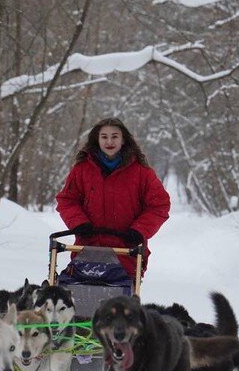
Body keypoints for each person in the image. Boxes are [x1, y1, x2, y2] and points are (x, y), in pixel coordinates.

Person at [55, 117, 170, 279]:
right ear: (97, 139)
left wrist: (139, 230)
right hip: (87, 251)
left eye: (115, 136)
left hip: (126, 253)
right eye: (104, 137)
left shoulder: (142, 172)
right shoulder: (82, 170)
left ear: (123, 140)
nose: (109, 141)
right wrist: (79, 223)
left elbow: (159, 205)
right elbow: (67, 200)